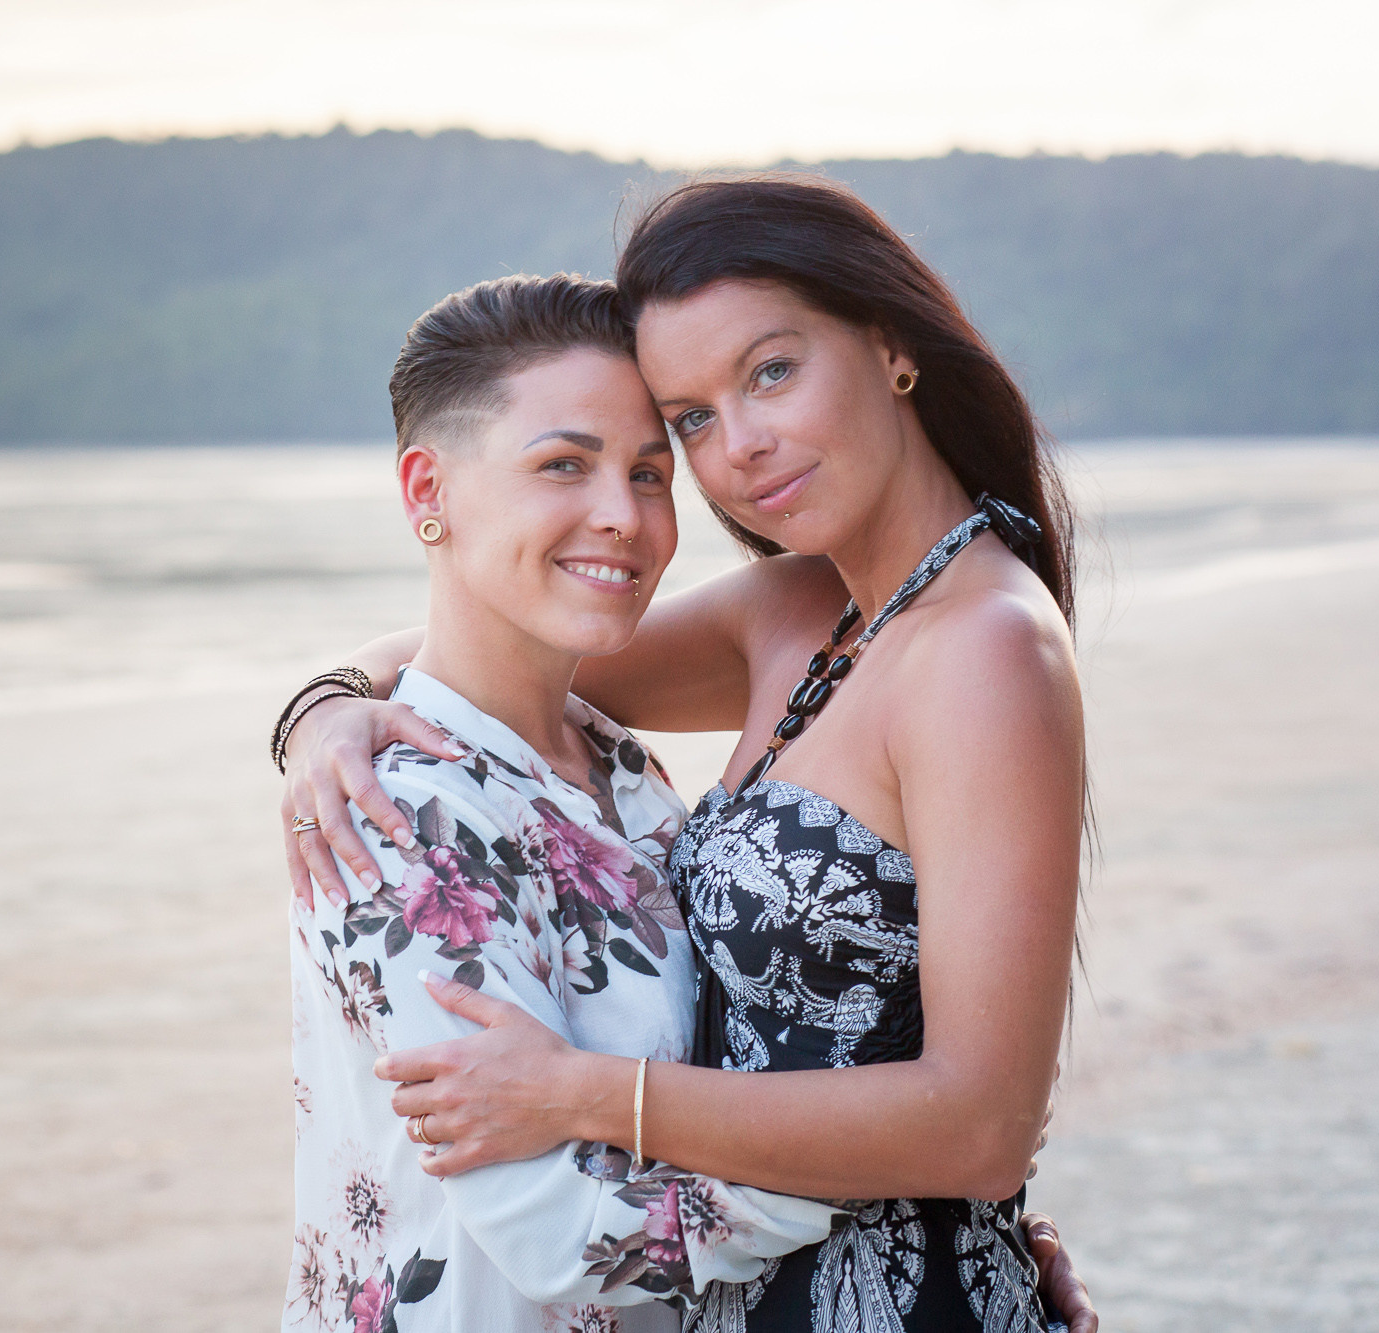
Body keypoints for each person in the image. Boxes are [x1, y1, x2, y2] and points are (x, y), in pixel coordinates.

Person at [283, 176, 1093, 1333]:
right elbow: (512, 644)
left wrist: (589, 1097)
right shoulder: (791, 612)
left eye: (770, 371)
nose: (741, 448)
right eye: (695, 420)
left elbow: (981, 1124)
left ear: (889, 344)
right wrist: (325, 704)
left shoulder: (985, 649)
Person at [286, 272, 866, 1333]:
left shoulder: (616, 770)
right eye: (563, 464)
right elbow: (565, 1233)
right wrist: (906, 1173)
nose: (624, 517)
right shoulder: (398, 809)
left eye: (650, 474)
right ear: (428, 494)